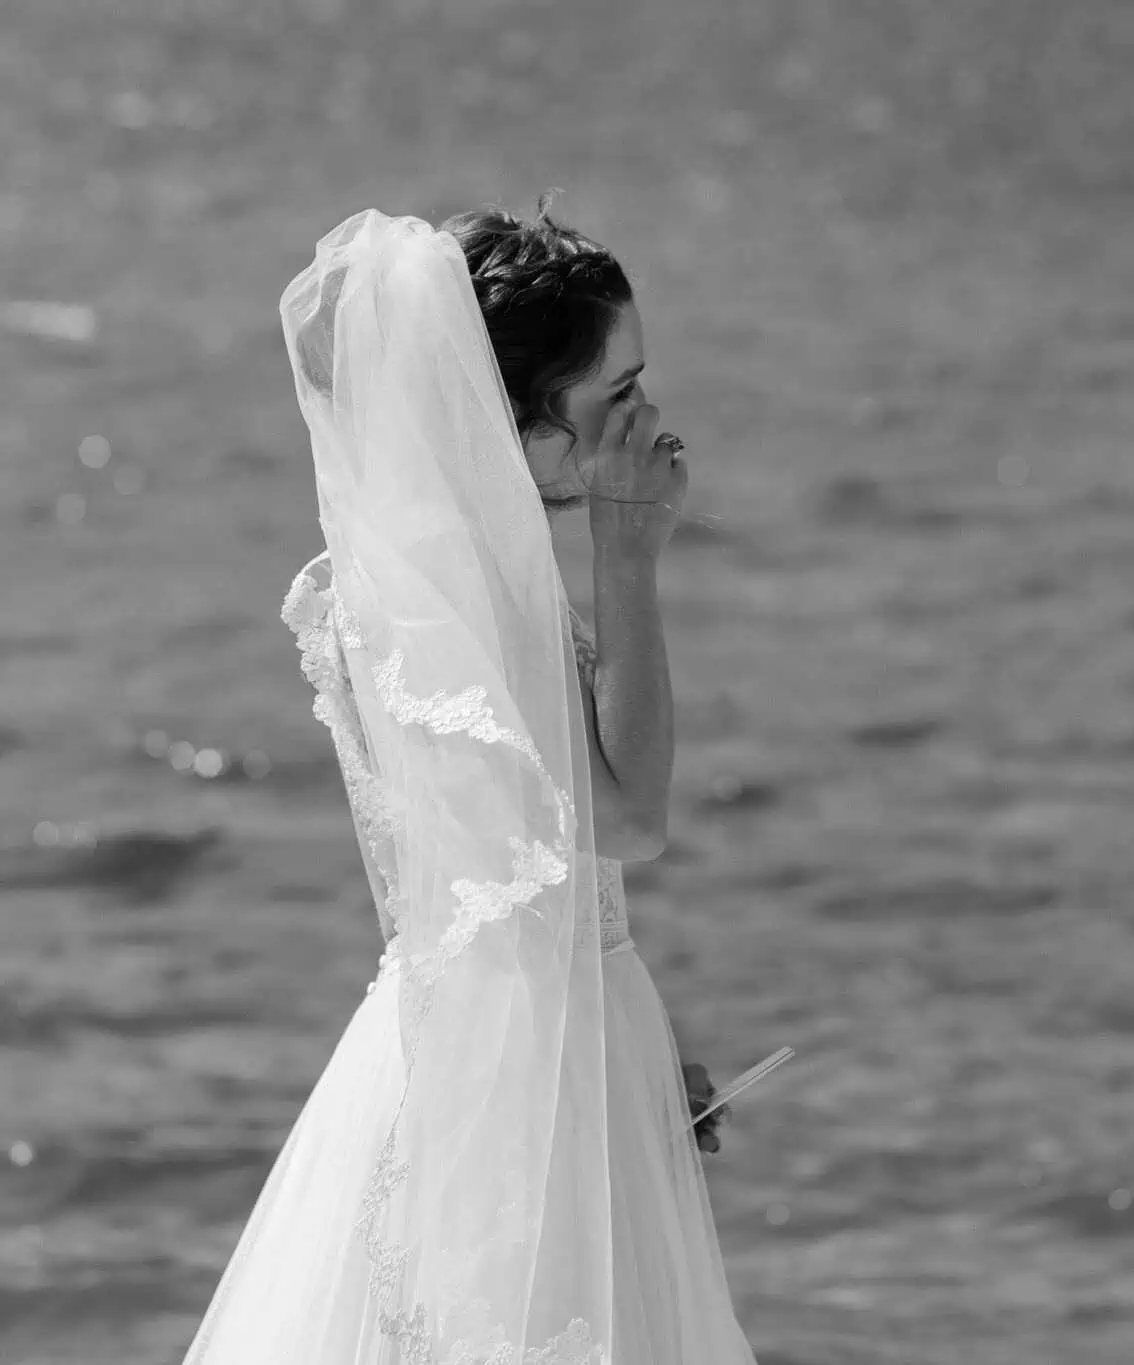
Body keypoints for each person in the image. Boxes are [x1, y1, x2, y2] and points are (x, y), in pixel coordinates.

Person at [180, 204, 756, 1363]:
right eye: (617, 397)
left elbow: (521, 878)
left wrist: (632, 1054)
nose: (650, 422)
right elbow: (630, 819)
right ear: (527, 428)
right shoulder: (456, 602)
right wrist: (629, 553)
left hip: (539, 1045)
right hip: (508, 1098)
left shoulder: (438, 569)